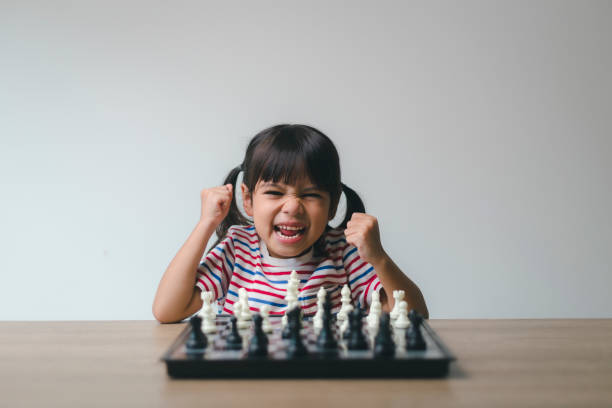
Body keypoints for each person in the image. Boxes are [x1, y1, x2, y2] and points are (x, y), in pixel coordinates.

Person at [153, 124, 428, 323]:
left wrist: (378, 258)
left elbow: (415, 315)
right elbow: (167, 310)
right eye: (274, 192)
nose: (293, 207)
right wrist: (206, 224)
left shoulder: (343, 252)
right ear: (247, 200)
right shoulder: (238, 249)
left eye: (310, 194)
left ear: (332, 205)